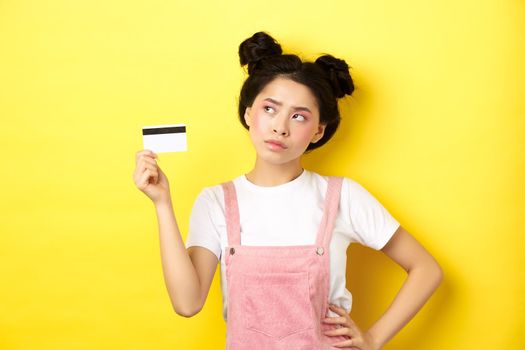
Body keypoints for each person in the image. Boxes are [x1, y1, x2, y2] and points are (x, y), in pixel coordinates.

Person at [132, 31, 443, 350]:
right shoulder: (216, 202)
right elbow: (187, 303)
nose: (281, 126)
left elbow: (426, 269)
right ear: (248, 113)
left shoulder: (343, 197)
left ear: (318, 131)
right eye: (270, 109)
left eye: (299, 116)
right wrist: (162, 204)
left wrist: (374, 338)